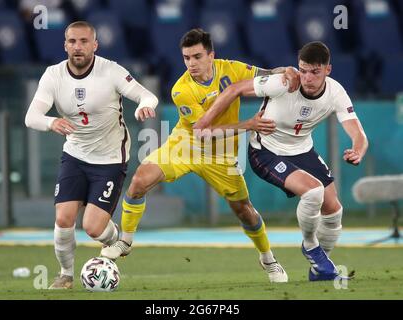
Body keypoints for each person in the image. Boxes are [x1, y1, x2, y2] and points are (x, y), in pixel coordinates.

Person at [101, 28, 300, 283]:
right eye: (186, 58)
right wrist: (247, 125)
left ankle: (268, 259)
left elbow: (267, 75)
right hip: (186, 144)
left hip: (222, 155)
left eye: (196, 57)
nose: (191, 64)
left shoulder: (232, 69)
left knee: (243, 210)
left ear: (211, 56)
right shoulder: (181, 89)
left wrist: (286, 71)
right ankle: (125, 241)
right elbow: (203, 132)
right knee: (140, 179)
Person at [194, 41, 369, 281]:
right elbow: (234, 89)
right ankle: (310, 246)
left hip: (302, 151)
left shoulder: (336, 92)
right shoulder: (283, 83)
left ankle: (320, 268)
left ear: (328, 70)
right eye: (303, 70)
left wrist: (357, 150)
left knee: (334, 211)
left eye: (314, 72)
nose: (306, 78)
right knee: (313, 192)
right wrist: (205, 121)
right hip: (266, 151)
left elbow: (358, 133)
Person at [24, 21, 158, 289]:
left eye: (84, 41)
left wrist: (144, 106)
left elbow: (148, 96)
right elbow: (31, 117)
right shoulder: (53, 75)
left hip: (110, 159)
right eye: (72, 41)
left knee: (93, 228)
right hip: (75, 154)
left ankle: (115, 237)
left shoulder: (111, 71)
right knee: (63, 218)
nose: (78, 47)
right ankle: (65, 275)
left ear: (95, 45)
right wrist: (52, 123)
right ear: (65, 45)